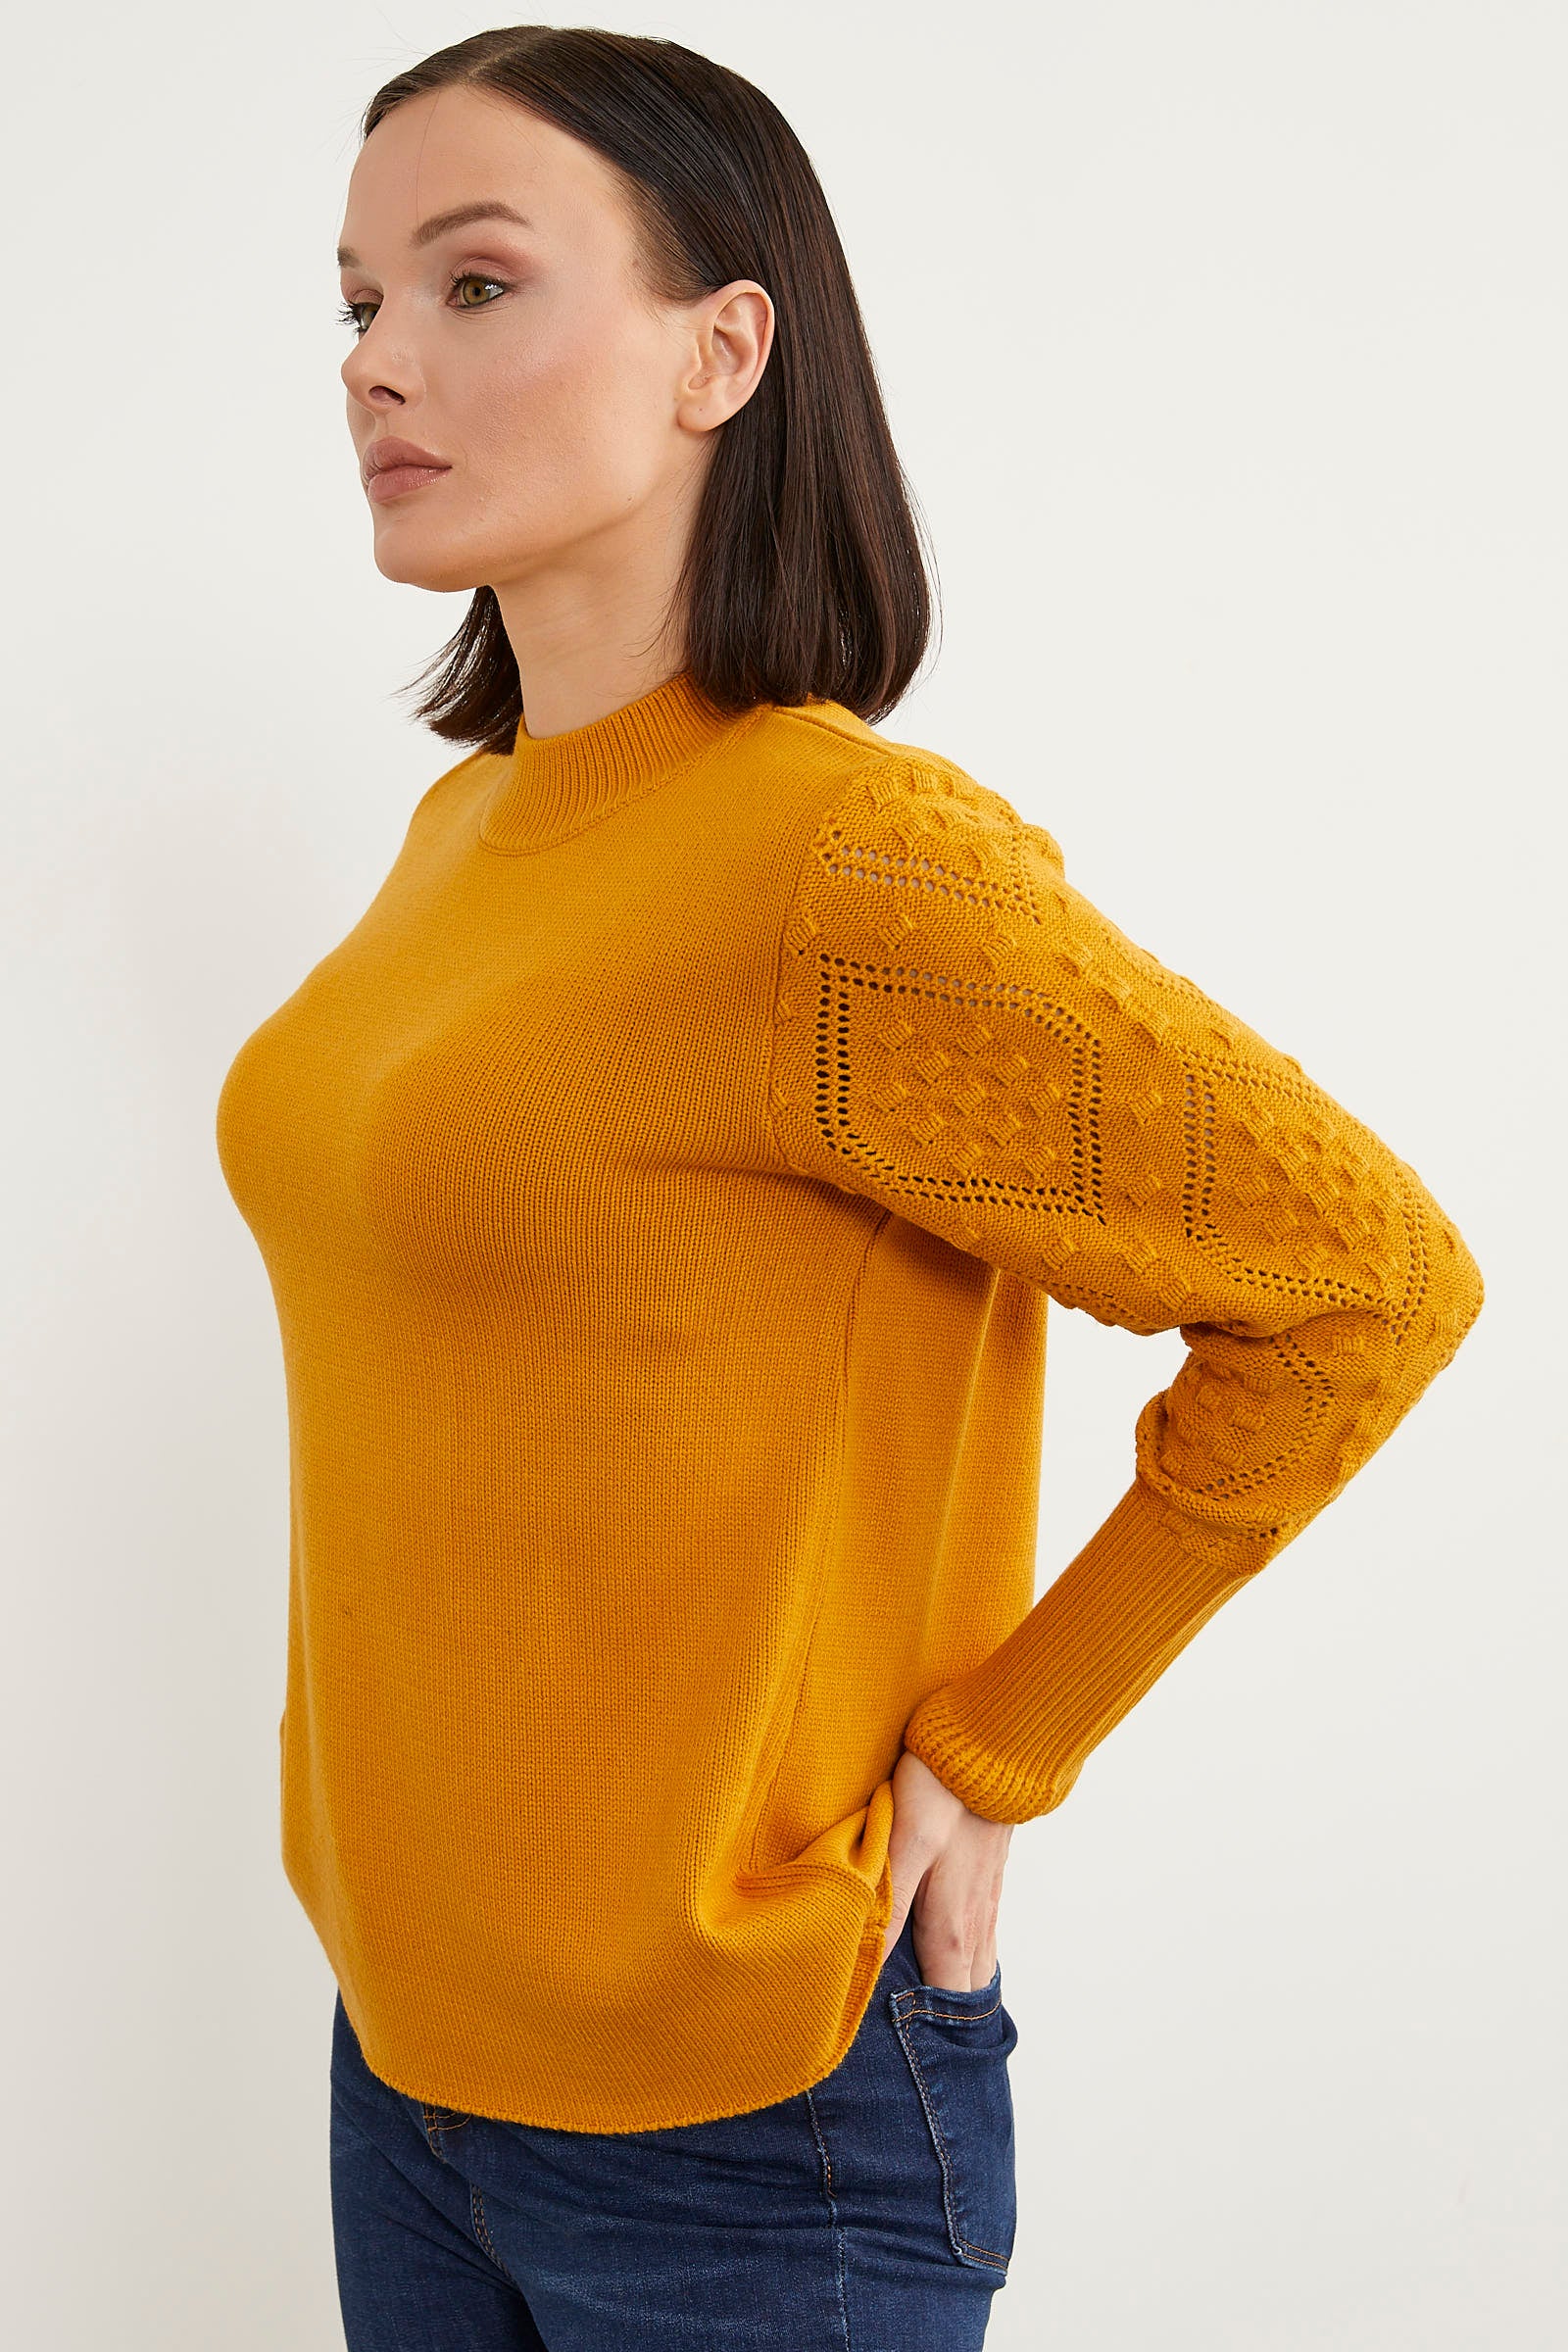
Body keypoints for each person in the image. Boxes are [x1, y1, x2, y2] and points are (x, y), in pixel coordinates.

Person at [213, 25, 1485, 2351]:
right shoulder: (464, 829)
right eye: (358, 301)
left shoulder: (844, 865)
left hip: (749, 2106)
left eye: (473, 284)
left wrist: (1005, 1745)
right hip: (402, 2060)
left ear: (723, 350)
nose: (377, 359)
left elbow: (1364, 1281)